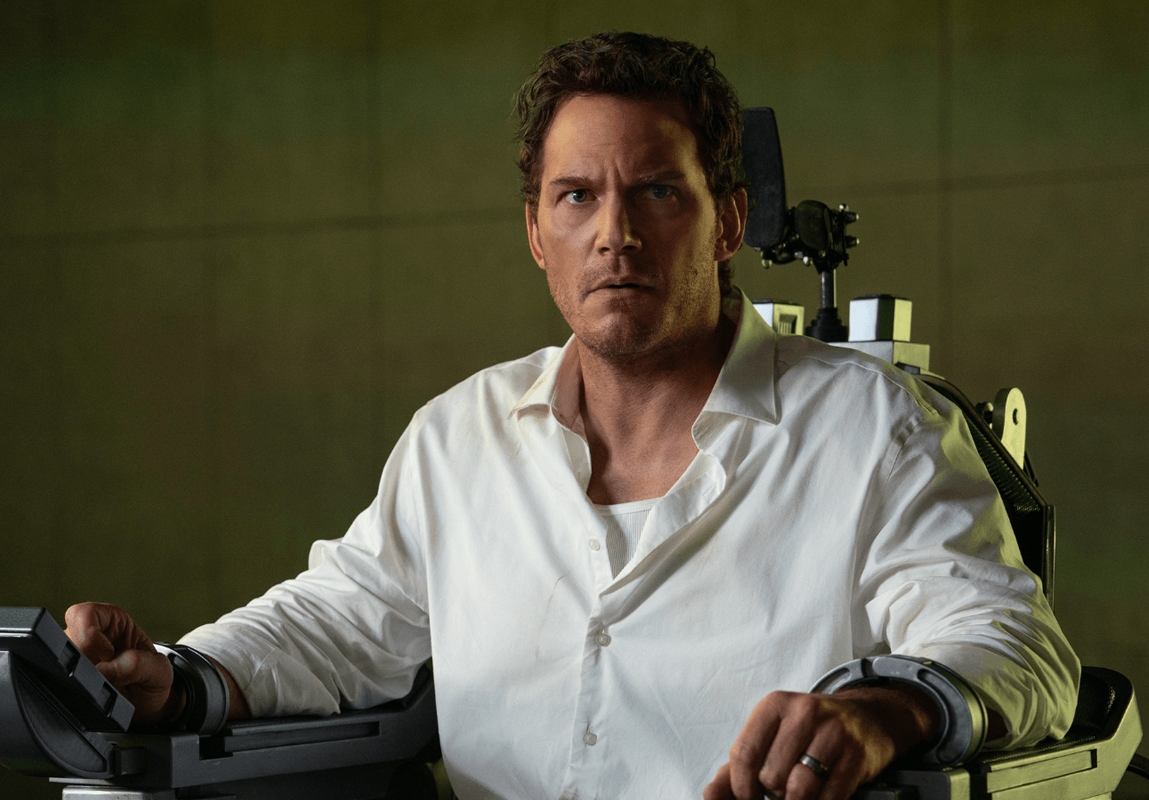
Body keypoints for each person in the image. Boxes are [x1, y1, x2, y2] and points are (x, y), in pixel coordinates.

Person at [64, 31, 1078, 800]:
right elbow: (337, 621)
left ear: (728, 220)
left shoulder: (873, 428)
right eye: (577, 197)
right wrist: (175, 676)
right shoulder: (459, 437)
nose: (615, 234)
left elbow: (1014, 643)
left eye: (657, 192)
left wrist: (882, 710)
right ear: (536, 232)